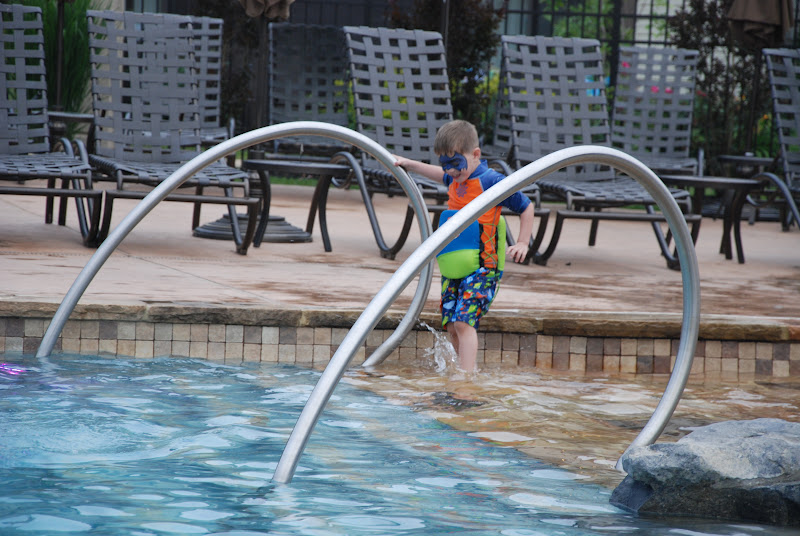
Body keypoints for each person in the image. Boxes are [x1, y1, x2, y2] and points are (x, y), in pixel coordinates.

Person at [393, 120, 534, 373]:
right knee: (450, 325)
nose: (451, 171)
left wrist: (523, 242)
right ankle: (459, 372)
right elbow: (439, 174)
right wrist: (408, 163)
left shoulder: (491, 181)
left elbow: (526, 206)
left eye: (455, 163)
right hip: (454, 266)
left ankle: (466, 382)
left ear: (475, 155)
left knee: (463, 323)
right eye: (445, 165)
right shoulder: (456, 179)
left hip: (483, 266)